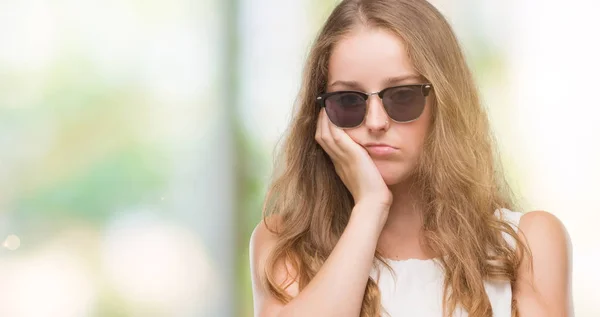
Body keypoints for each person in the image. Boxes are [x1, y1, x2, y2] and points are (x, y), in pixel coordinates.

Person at [249, 0, 572, 316]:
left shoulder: (527, 242)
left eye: (402, 96)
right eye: (348, 100)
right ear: (321, 114)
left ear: (444, 103)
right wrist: (370, 206)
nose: (375, 122)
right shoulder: (283, 242)